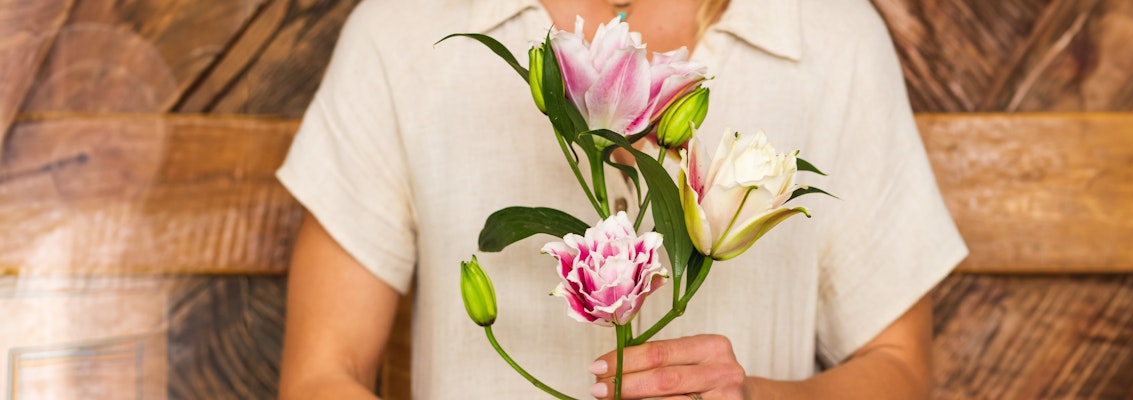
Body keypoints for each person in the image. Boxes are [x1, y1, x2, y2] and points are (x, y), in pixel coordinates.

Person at [275, 0, 968, 398]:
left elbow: (900, 367)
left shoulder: (832, 36)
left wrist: (753, 398)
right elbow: (320, 374)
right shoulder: (404, 28)